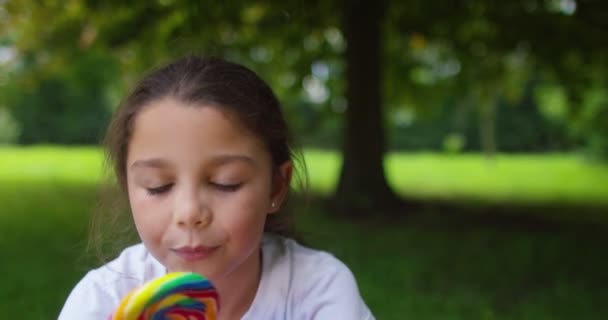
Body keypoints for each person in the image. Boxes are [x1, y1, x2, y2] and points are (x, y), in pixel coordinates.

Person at [58, 56, 375, 319]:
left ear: (276, 187)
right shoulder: (103, 299)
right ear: (128, 187)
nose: (190, 212)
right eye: (158, 187)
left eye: (227, 183)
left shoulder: (317, 290)